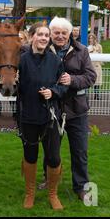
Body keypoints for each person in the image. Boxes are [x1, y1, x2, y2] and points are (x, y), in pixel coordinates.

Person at [39, 17, 96, 203]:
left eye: (64, 33)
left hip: (76, 109)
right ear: (51, 33)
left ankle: (81, 187)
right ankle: (49, 179)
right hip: (52, 109)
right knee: (50, 150)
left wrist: (72, 80)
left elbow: (90, 76)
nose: (60, 36)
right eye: (56, 32)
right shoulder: (42, 49)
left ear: (70, 33)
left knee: (80, 151)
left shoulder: (81, 50)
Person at [18, 23, 67, 210]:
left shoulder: (55, 61)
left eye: (47, 35)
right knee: (30, 156)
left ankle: (53, 194)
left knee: (53, 157)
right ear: (32, 36)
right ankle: (30, 194)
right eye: (40, 34)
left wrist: (53, 92)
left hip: (50, 116)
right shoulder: (22, 60)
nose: (44, 38)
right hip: (28, 115)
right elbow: (14, 87)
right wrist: (0, 82)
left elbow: (64, 86)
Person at [87, 34, 103, 100]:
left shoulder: (99, 46)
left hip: (97, 65)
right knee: (88, 79)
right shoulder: (87, 47)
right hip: (90, 65)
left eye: (92, 38)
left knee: (97, 80)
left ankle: (97, 94)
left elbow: (101, 54)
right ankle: (86, 94)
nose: (91, 40)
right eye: (90, 38)